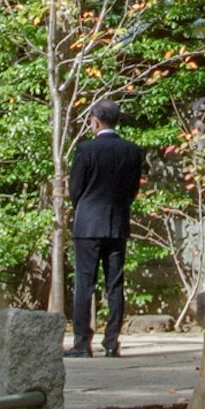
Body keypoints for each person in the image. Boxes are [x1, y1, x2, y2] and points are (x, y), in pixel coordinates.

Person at [65, 95, 147, 355]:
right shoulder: (133, 150)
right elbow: (133, 189)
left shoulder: (85, 150)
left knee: (84, 284)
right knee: (115, 284)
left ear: (95, 122)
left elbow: (75, 188)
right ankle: (112, 343)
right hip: (117, 221)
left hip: (88, 223)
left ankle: (82, 343)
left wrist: (83, 206)